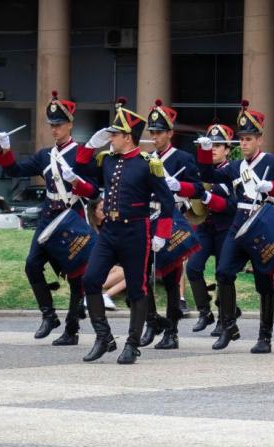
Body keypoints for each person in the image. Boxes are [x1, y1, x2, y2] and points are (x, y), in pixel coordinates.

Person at [75, 97, 175, 364]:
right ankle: (103, 337)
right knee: (91, 280)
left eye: (115, 134)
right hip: (110, 230)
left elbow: (167, 203)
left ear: (128, 137)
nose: (111, 138)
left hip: (136, 232)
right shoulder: (107, 160)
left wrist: (162, 234)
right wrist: (89, 146)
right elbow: (80, 169)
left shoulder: (147, 163)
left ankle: (132, 343)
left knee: (136, 289)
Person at [0, 90, 98, 341]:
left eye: (59, 125)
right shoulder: (44, 155)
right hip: (48, 216)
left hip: (72, 215)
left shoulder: (82, 154)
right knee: (32, 265)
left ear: (70, 124)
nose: (54, 130)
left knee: (76, 277)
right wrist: (5, 148)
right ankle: (48, 315)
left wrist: (78, 182)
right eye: (52, 125)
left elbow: (93, 190)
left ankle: (72, 329)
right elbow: (14, 171)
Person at [196, 100, 274, 353]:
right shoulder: (235, 166)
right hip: (238, 224)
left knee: (264, 280)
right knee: (224, 272)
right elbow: (208, 177)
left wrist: (272, 187)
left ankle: (264, 336)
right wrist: (205, 153)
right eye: (242, 139)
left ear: (259, 139)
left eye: (250, 138)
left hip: (261, 225)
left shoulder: (272, 162)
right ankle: (228, 326)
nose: (245, 143)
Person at [140, 99, 204, 350]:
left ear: (170, 133)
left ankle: (173, 332)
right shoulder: (146, 159)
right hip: (149, 218)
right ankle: (151, 321)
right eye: (152, 132)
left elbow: (197, 188)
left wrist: (179, 186)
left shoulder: (182, 158)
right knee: (143, 274)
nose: (154, 137)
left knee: (171, 278)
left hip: (172, 217)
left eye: (159, 132)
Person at [186, 124, 238, 336]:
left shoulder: (232, 170)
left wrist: (210, 197)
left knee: (223, 274)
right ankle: (204, 311)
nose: (214, 149)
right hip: (205, 227)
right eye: (210, 145)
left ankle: (225, 318)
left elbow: (231, 205)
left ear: (227, 149)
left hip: (226, 227)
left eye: (218, 145)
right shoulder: (201, 170)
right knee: (193, 268)